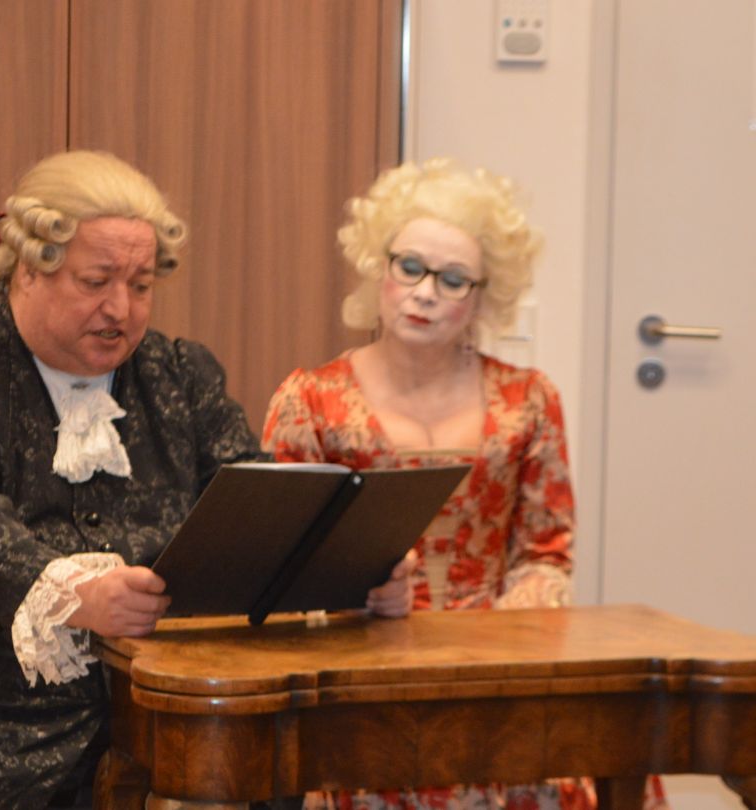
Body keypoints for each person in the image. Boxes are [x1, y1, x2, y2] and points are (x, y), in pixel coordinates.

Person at [0, 149, 413, 810]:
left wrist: (353, 572)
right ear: (29, 269)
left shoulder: (181, 375)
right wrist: (75, 594)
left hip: (158, 727)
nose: (119, 308)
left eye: (141, 286)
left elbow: (256, 510)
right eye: (95, 281)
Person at [262, 158, 668, 810]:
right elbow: (282, 569)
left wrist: (499, 647)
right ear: (379, 268)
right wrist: (356, 593)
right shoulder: (310, 400)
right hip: (361, 680)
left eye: (453, 279)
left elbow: (545, 554)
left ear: (481, 297)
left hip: (498, 670)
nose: (425, 293)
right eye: (410, 267)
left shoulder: (529, 399)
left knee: (608, 749)